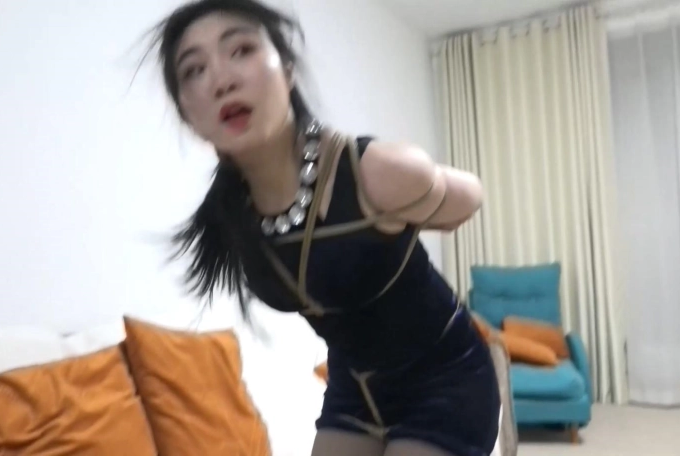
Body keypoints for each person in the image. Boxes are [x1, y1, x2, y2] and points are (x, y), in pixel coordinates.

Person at [148, 0, 501, 455]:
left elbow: (468, 201)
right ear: (188, 116)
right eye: (194, 70)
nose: (221, 80)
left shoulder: (370, 170)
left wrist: (425, 183)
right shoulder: (227, 219)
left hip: (446, 380)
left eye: (241, 50)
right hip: (352, 393)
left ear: (287, 70)